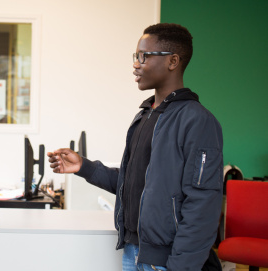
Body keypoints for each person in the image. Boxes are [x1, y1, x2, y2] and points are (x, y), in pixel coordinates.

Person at [48, 23, 223, 270]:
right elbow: (131, 183)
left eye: (144, 56)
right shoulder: (145, 116)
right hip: (134, 252)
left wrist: (181, 267)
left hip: (168, 261)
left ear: (173, 61)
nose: (136, 64)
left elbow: (203, 205)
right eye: (135, 56)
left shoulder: (197, 120)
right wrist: (83, 167)